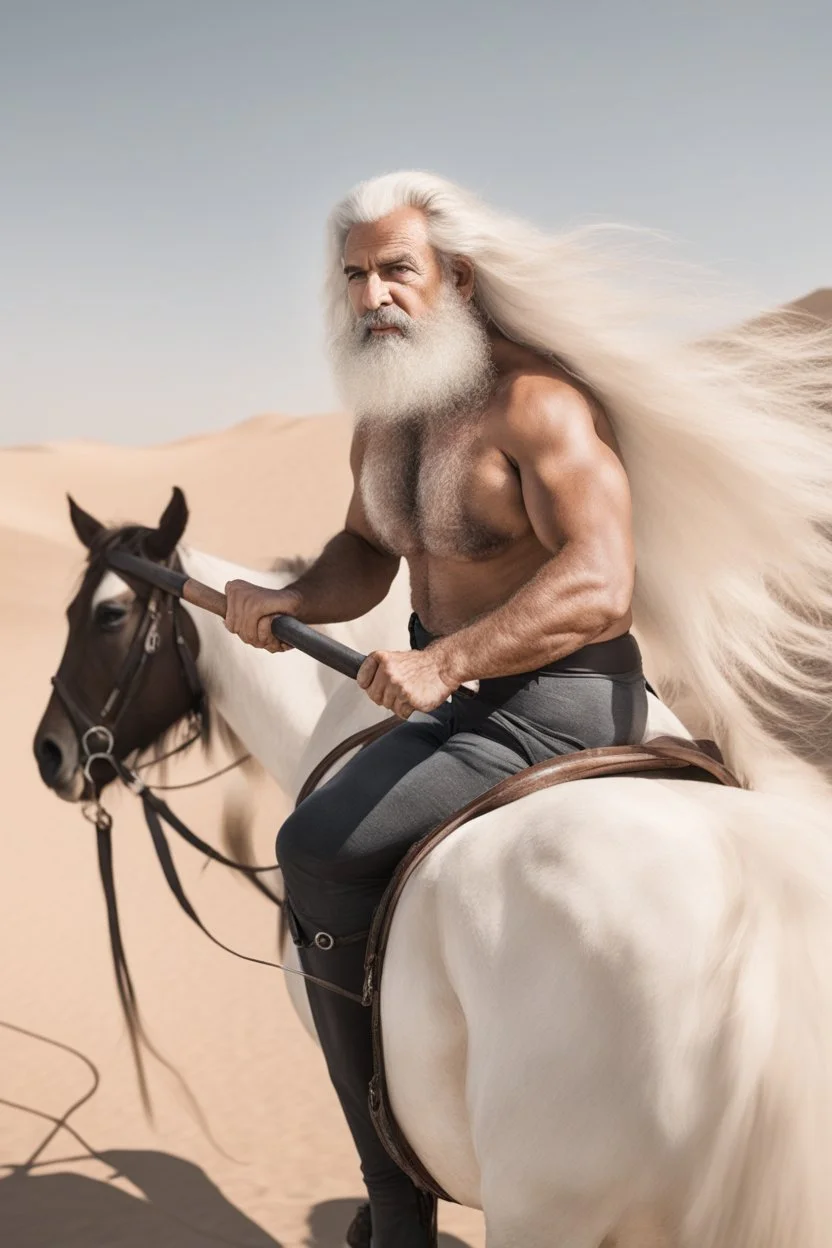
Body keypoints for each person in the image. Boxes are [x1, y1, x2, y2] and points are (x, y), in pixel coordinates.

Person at [225, 173, 832, 1246]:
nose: (373, 297)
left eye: (395, 270)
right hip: (456, 694)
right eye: (355, 275)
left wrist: (446, 662)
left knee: (315, 843)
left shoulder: (536, 406)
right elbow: (366, 554)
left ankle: (396, 1200)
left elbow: (599, 581)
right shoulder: (384, 423)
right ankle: (394, 1174)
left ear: (455, 275)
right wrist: (287, 599)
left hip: (553, 704)